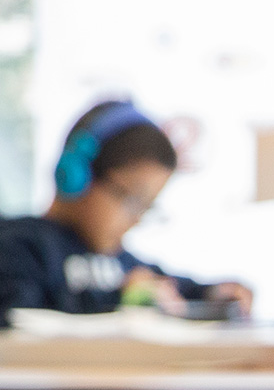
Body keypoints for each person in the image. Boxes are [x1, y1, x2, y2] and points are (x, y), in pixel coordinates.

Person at [0, 100, 252, 327]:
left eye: (146, 207)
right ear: (76, 176)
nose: (137, 218)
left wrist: (214, 294)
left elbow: (173, 285)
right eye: (132, 201)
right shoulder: (20, 246)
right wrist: (122, 301)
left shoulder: (121, 262)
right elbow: (17, 318)